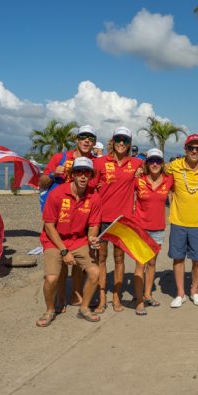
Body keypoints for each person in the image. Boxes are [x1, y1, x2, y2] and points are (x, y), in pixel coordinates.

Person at [36, 157, 102, 327]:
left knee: (95, 272)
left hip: (79, 240)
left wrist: (92, 239)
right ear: (72, 174)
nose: (82, 176)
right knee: (51, 279)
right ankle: (49, 310)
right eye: (78, 172)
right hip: (54, 241)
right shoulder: (57, 194)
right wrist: (64, 251)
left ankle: (84, 308)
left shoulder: (93, 197)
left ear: (90, 175)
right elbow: (49, 226)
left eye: (86, 172)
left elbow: (94, 224)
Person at [40, 124, 97, 312]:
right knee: (61, 259)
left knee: (80, 262)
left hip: (83, 212)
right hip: (59, 213)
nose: (87, 140)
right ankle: (61, 295)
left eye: (90, 137)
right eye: (83, 136)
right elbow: (41, 183)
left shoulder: (95, 162)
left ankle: (76, 292)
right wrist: (52, 173)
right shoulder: (61, 157)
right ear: (77, 139)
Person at [93, 127, 143, 313]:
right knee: (101, 259)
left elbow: (157, 170)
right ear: (112, 141)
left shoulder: (137, 163)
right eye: (118, 139)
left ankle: (116, 296)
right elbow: (90, 186)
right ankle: (102, 298)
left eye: (125, 140)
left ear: (130, 144)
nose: (121, 143)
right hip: (102, 218)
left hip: (122, 221)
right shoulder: (99, 162)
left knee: (119, 259)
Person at [164, 134, 198, 308]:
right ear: (184, 149)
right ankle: (180, 293)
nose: (194, 151)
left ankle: (194, 290)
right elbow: (154, 168)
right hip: (178, 221)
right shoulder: (174, 166)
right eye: (191, 148)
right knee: (178, 258)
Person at [132, 148, 174, 315]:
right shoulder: (138, 180)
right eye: (151, 161)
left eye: (158, 161)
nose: (155, 164)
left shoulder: (169, 180)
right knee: (140, 264)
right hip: (140, 228)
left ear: (162, 163)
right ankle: (139, 301)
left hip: (158, 229)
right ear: (146, 164)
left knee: (151, 263)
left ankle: (148, 294)